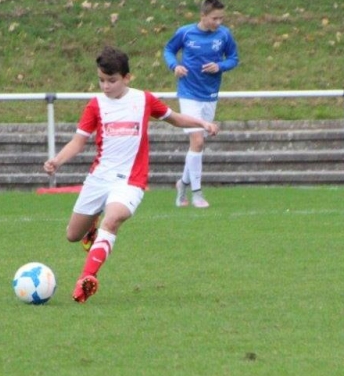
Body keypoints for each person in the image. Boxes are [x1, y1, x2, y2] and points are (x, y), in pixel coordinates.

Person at [44, 46, 219, 302]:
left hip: (130, 180)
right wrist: (57, 161)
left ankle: (87, 278)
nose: (106, 86)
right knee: (73, 235)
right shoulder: (95, 105)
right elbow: (78, 142)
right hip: (99, 178)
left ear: (127, 78)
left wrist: (201, 123)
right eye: (101, 80)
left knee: (113, 219)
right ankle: (91, 227)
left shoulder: (143, 100)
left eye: (111, 80)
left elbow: (174, 118)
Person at [163, 0, 239, 208]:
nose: (219, 22)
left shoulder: (224, 35)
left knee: (197, 145)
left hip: (210, 95)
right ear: (203, 16)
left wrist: (220, 66)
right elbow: (169, 50)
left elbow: (233, 58)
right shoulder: (185, 32)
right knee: (197, 141)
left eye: (221, 18)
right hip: (188, 93)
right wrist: (175, 66)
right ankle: (197, 193)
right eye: (215, 18)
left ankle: (182, 184)